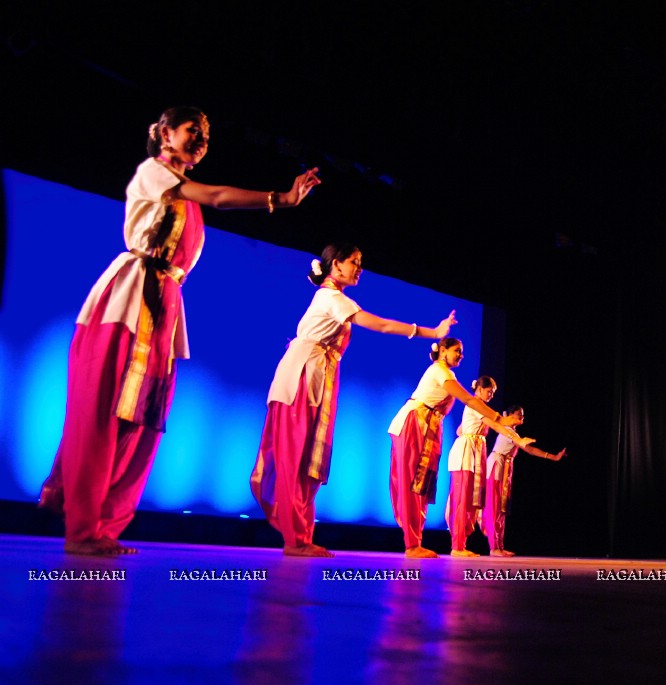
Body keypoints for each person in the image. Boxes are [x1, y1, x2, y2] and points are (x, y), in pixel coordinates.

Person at [38, 106, 322, 556]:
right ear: (166, 133)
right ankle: (83, 529)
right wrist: (280, 200)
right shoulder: (155, 173)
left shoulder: (185, 195)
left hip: (165, 306)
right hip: (130, 300)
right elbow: (220, 197)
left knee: (145, 420)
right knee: (104, 412)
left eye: (207, 135)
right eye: (194, 130)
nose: (201, 140)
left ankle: (106, 527)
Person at [251, 244, 456, 558]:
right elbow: (381, 325)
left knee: (308, 459)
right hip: (303, 378)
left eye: (361, 263)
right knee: (296, 456)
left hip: (317, 378)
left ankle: (301, 536)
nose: (360, 268)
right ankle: (295, 540)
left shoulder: (332, 299)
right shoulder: (331, 298)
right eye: (355, 262)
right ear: (335, 266)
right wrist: (432, 332)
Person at [387, 338, 521, 558]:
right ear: (442, 351)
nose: (461, 355)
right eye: (457, 351)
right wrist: (498, 417)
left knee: (421, 485)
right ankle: (412, 545)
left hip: (428, 427)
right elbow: (469, 400)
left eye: (462, 351)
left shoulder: (447, 374)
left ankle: (415, 542)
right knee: (414, 483)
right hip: (416, 423)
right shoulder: (440, 371)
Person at [444, 377, 534, 557]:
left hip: (474, 451)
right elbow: (494, 424)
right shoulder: (476, 403)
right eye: (489, 391)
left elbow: (460, 430)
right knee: (462, 500)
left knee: (469, 501)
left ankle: (460, 545)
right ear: (479, 389)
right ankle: (457, 547)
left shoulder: (477, 406)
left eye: (493, 392)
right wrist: (517, 438)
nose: (492, 395)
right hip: (466, 454)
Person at [482, 405, 566, 557]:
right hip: (497, 467)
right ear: (509, 414)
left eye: (523, 415)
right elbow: (529, 449)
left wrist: (553, 457)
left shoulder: (512, 433)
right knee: (494, 507)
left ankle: (499, 546)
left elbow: (529, 449)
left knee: (502, 508)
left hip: (505, 468)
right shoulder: (506, 430)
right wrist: (553, 457)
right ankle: (494, 547)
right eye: (519, 414)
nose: (522, 417)